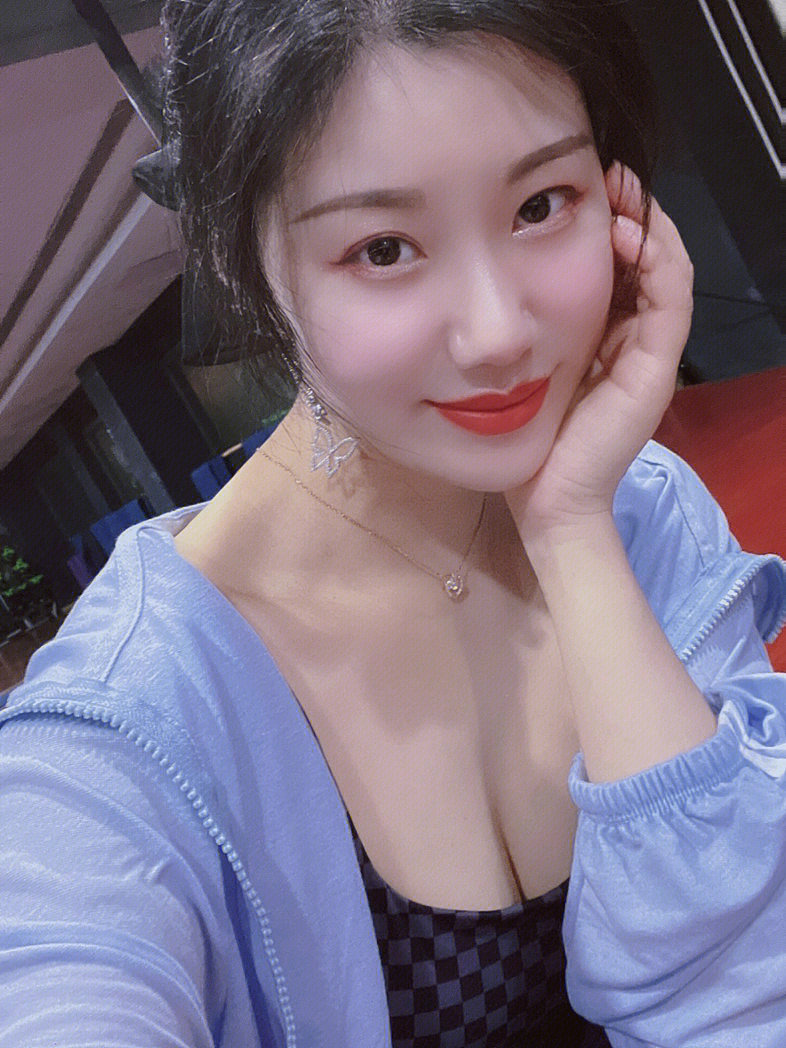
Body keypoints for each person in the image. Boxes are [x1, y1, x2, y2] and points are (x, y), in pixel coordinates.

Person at [1, 0, 785, 1045]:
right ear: (247, 269)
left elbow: (748, 987)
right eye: (382, 249)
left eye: (541, 203)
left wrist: (571, 530)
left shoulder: (642, 512)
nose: (498, 332)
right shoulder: (125, 735)